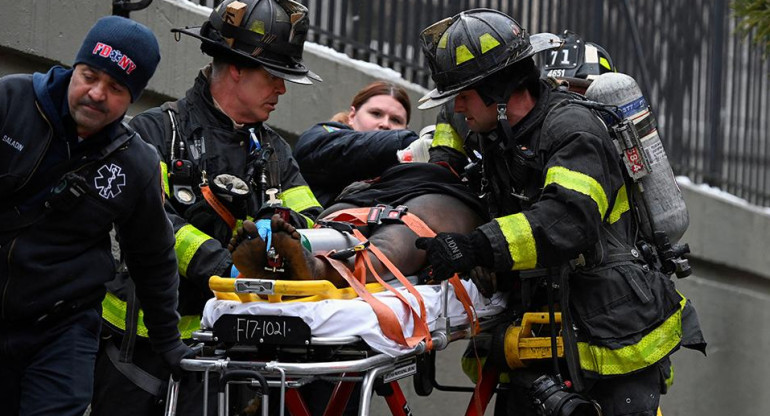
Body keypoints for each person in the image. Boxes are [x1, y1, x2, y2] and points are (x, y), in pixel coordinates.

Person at [413, 9, 705, 416]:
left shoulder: (574, 129)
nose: (458, 106)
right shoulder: (499, 135)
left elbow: (568, 221)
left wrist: (477, 246)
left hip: (611, 334)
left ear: (498, 90)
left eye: (464, 94)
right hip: (536, 331)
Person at [91, 1, 323, 415]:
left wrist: (282, 230)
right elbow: (153, 224)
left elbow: (311, 222)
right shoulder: (155, 132)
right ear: (237, 67)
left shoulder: (275, 152)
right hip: (139, 352)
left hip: (235, 350)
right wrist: (230, 268)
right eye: (275, 76)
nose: (282, 90)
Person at [0, 16, 191, 416]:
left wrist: (167, 341)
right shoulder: (10, 100)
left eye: (116, 88)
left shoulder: (136, 163)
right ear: (75, 67)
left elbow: (153, 257)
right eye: (89, 75)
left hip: (61, 327)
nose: (97, 94)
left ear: (133, 96)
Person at [294, 80, 432, 207]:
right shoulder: (323, 136)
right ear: (352, 116)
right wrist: (405, 141)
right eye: (376, 113)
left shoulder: (407, 171)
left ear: (406, 128)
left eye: (396, 120)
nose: (385, 124)